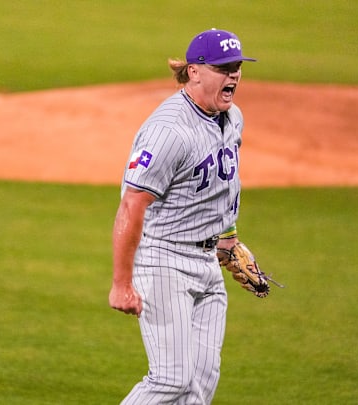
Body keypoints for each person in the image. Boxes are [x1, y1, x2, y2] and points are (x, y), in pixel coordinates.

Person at [109, 28, 256, 404]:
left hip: (207, 261)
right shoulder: (168, 131)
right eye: (224, 67)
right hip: (164, 259)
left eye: (237, 66)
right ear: (195, 71)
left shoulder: (232, 117)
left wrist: (229, 238)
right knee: (171, 379)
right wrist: (122, 282)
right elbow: (131, 204)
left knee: (200, 383)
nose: (234, 75)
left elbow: (224, 186)